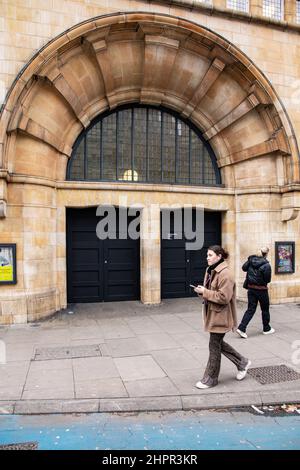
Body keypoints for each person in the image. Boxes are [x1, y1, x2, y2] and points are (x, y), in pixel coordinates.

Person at [193, 245, 251, 389]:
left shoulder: (225, 274)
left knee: (214, 345)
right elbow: (211, 292)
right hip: (213, 313)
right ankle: (242, 362)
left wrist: (205, 292)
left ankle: (211, 378)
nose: (207, 258)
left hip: (221, 315)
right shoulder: (210, 270)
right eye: (207, 255)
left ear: (219, 257)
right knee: (218, 344)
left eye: (210, 255)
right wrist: (202, 291)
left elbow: (224, 297)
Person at [236, 247, 274, 339]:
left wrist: (249, 260)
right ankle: (266, 328)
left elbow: (244, 268)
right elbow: (267, 280)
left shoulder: (251, 260)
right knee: (265, 309)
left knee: (250, 309)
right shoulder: (266, 265)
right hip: (262, 290)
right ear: (266, 254)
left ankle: (242, 328)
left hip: (251, 289)